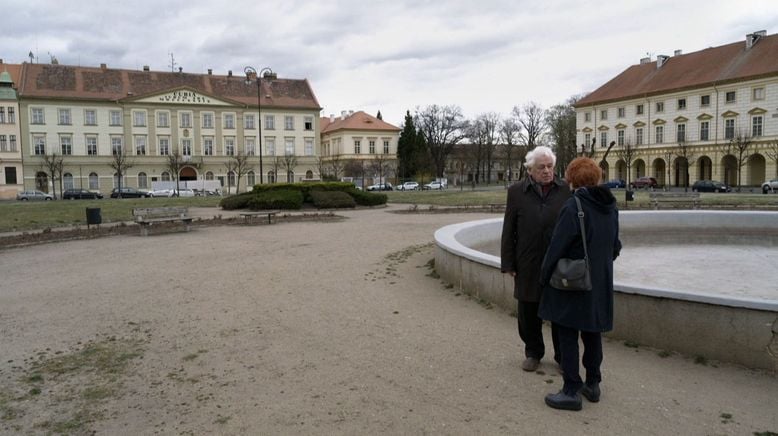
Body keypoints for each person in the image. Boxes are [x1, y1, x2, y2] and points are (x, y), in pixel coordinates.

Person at [538, 157, 622, 411]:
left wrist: (544, 276)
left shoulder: (574, 205)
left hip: (573, 283)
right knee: (592, 332)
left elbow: (557, 247)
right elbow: (615, 247)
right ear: (597, 178)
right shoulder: (611, 206)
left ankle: (571, 390)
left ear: (572, 179)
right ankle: (593, 384)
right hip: (599, 281)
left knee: (567, 333)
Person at [500, 146, 571, 372]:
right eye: (541, 167)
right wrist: (508, 263)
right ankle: (533, 352)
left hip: (558, 263)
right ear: (530, 170)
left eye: (550, 166)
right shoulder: (516, 192)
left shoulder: (565, 190)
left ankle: (562, 356)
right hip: (527, 261)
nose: (547, 171)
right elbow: (508, 229)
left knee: (560, 313)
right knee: (528, 311)